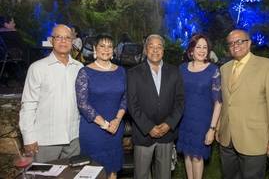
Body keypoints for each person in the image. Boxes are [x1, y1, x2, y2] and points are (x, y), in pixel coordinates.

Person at [217, 29, 269, 179]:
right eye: (231, 43)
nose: (235, 45)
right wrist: (218, 128)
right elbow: (225, 103)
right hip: (227, 138)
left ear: (249, 43)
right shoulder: (224, 69)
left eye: (240, 41)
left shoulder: (268, 67)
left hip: (254, 139)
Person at [19, 24, 83, 162]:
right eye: (58, 37)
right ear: (51, 41)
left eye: (67, 38)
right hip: (46, 140)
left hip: (73, 138)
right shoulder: (37, 68)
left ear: (72, 42)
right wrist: (28, 137)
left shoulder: (79, 68)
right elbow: (28, 104)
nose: (63, 41)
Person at [127, 34, 184, 179]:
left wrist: (168, 124)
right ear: (146, 50)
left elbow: (180, 102)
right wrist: (149, 127)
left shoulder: (175, 72)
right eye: (151, 46)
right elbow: (132, 105)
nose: (155, 50)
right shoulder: (133, 73)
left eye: (159, 47)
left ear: (163, 50)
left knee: (164, 175)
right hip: (143, 134)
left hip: (167, 134)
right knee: (141, 175)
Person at [75, 33, 126, 179]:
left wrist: (116, 121)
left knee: (112, 169)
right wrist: (104, 124)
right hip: (93, 130)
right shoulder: (85, 72)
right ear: (94, 49)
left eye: (110, 46)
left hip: (116, 129)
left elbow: (125, 98)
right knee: (93, 172)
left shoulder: (121, 71)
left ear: (113, 50)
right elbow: (83, 104)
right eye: (102, 46)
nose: (106, 49)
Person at [176, 34, 222, 179]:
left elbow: (218, 102)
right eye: (198, 47)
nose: (202, 50)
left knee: (197, 157)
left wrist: (212, 129)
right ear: (191, 50)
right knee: (187, 156)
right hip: (185, 120)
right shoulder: (182, 68)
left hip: (202, 122)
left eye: (205, 47)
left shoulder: (213, 70)